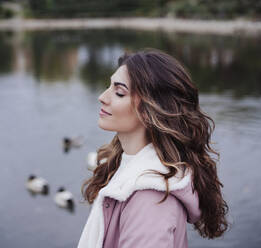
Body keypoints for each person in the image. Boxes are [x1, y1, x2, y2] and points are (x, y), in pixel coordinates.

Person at [77, 48, 228, 248]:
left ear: (150, 110)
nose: (103, 97)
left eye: (119, 92)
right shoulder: (126, 167)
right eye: (109, 86)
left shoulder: (151, 198)